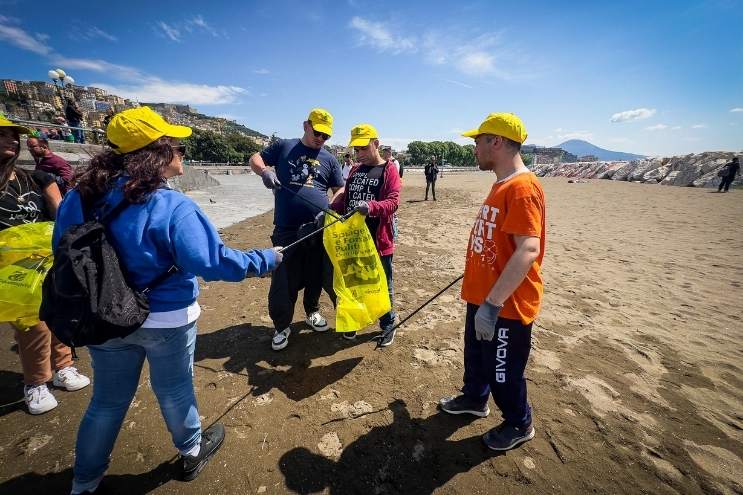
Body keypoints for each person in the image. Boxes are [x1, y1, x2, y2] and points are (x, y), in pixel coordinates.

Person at [52, 107, 283, 493]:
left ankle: (85, 482)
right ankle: (191, 451)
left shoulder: (78, 197)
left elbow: (62, 248)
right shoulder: (173, 206)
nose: (181, 151)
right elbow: (213, 262)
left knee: (106, 402)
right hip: (166, 318)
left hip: (101, 315)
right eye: (174, 144)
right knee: (174, 389)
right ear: (156, 152)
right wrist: (266, 259)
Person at [438, 113, 546, 452]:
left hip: (505, 306)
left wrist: (493, 304)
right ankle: (474, 398)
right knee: (477, 357)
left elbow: (529, 248)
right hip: (483, 296)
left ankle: (519, 422)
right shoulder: (502, 183)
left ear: (496, 142)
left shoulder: (523, 187)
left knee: (503, 372)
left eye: (477, 141)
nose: (474, 149)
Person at [0, 115, 89, 415]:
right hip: (10, 269)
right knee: (33, 325)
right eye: (2, 135)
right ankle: (36, 382)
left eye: (14, 135)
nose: (11, 140)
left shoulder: (36, 178)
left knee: (60, 311)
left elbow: (62, 215)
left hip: (47, 260)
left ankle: (63, 365)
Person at [248, 108, 344, 351]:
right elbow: (255, 158)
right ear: (306, 125)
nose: (321, 139)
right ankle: (282, 326)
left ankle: (312, 311)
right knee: (284, 278)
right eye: (318, 133)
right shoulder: (284, 146)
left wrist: (331, 208)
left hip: (318, 229)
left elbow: (339, 189)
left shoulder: (330, 159)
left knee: (315, 275)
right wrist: (265, 171)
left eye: (326, 136)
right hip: (286, 229)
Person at [330, 124, 401, 345]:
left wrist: (370, 207)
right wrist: (332, 208)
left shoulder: (389, 169)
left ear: (376, 144)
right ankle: (353, 322)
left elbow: (393, 203)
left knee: (382, 284)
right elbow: (347, 198)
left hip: (378, 240)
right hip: (354, 240)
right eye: (356, 149)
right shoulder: (355, 170)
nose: (358, 153)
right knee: (354, 283)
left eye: (362, 148)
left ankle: (388, 324)